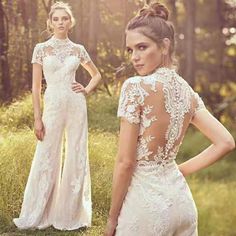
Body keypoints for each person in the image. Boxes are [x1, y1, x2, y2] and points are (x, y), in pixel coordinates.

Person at [104, 2, 235, 236]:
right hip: (182, 204)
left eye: (142, 47)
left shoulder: (135, 87)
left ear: (164, 46)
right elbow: (226, 142)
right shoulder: (188, 92)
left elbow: (125, 162)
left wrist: (112, 219)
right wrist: (177, 171)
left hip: (145, 209)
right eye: (130, 50)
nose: (135, 57)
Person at [13, 2, 101, 230]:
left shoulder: (78, 49)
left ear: (70, 22)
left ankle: (70, 213)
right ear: (50, 22)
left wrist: (87, 89)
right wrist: (37, 118)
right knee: (47, 153)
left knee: (76, 152)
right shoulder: (41, 49)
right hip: (52, 106)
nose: (61, 22)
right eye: (56, 19)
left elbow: (96, 75)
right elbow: (35, 87)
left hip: (75, 105)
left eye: (65, 18)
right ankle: (38, 211)